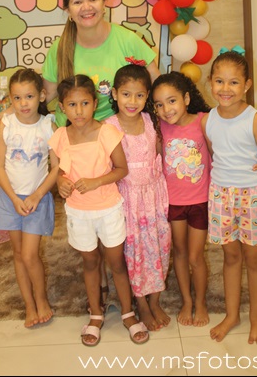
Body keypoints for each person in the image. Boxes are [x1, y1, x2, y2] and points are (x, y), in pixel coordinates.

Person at [0, 0, 161, 308]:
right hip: (76, 146)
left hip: (117, 139)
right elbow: (45, 94)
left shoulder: (127, 40)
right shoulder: (61, 48)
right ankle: (99, 285)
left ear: (105, 1)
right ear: (68, 9)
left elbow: (156, 84)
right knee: (87, 217)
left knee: (122, 218)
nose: (87, 7)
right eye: (77, 1)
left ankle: (132, 283)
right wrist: (5, 116)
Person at [48, 74, 149, 346]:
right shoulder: (59, 137)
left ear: (95, 103)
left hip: (108, 209)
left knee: (116, 262)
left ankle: (128, 313)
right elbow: (57, 171)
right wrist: (61, 182)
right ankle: (95, 314)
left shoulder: (107, 133)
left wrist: (96, 181)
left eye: (84, 103)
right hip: (78, 212)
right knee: (90, 262)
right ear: (62, 107)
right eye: (72, 105)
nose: (79, 111)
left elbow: (121, 169)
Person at [205, 48, 257, 345]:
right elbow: (216, 155)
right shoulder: (208, 120)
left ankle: (256, 319)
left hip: (253, 197)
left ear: (247, 85)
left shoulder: (255, 120)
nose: (226, 89)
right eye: (219, 81)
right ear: (210, 82)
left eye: (234, 82)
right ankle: (232, 315)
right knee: (231, 256)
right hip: (220, 196)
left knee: (254, 259)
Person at [105, 63, 172, 331]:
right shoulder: (108, 127)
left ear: (147, 96)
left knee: (160, 246)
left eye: (140, 95)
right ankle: (141, 302)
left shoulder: (151, 121)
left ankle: (155, 300)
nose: (132, 101)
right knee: (134, 253)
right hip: (127, 200)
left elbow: (162, 151)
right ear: (114, 94)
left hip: (155, 196)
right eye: (126, 94)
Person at [0, 68, 59, 329]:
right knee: (19, 253)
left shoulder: (48, 125)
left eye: (29, 96)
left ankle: (41, 300)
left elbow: (57, 167)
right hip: (10, 198)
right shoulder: (6, 125)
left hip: (37, 199)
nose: (23, 104)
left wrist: (37, 195)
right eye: (17, 98)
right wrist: (13, 198)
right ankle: (29, 305)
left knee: (31, 255)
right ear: (10, 99)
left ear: (41, 95)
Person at [151, 71, 212, 328]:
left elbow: (219, 153)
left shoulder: (204, 121)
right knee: (180, 253)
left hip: (200, 202)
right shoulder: (158, 128)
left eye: (172, 101)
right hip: (173, 203)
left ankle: (201, 302)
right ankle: (187, 300)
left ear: (186, 98)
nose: (166, 109)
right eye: (159, 104)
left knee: (196, 257)